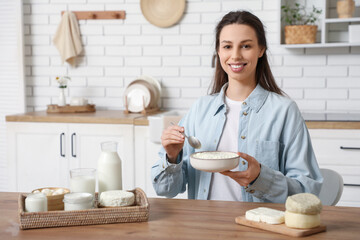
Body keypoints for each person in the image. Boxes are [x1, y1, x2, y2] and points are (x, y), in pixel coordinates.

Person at [151, 10, 323, 203]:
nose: (235, 55)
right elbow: (165, 190)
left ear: (261, 50)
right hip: (203, 227)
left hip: (259, 227)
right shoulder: (200, 109)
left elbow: (308, 192)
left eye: (246, 46)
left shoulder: (284, 111)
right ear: (218, 51)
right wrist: (172, 157)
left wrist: (261, 178)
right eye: (227, 46)